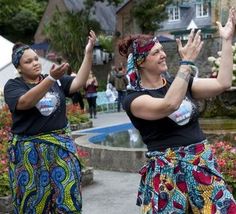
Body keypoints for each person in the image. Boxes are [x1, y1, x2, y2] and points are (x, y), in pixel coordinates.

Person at [118, 8, 236, 214]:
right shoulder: (133, 99)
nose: (163, 55)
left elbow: (222, 82)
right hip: (167, 175)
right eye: (156, 52)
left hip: (201, 164)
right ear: (140, 62)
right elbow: (168, 105)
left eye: (162, 49)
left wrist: (227, 41)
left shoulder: (180, 83)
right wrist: (187, 63)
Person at [4, 30, 96, 213]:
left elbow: (79, 82)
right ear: (19, 68)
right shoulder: (14, 85)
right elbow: (24, 102)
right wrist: (51, 79)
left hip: (60, 148)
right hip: (30, 154)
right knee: (34, 202)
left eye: (36, 59)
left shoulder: (56, 81)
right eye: (28, 62)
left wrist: (88, 53)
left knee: (68, 198)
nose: (35, 63)